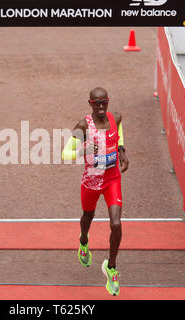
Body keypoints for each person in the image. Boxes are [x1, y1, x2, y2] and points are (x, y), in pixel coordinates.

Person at [62, 87, 129, 296]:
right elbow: (65, 154)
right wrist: (84, 149)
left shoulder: (115, 118)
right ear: (90, 103)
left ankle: (111, 268)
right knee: (87, 216)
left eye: (104, 102)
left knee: (116, 223)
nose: (101, 107)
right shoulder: (83, 126)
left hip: (111, 180)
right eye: (97, 103)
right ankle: (83, 241)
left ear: (108, 102)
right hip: (91, 181)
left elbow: (118, 135)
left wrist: (121, 151)